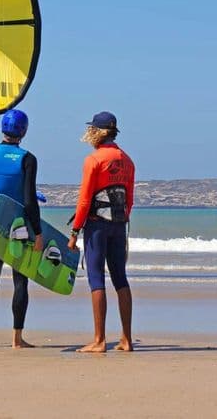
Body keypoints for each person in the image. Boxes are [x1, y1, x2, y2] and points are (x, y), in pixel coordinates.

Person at [68, 111, 135, 353]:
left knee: (96, 278)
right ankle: (126, 339)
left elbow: (85, 200)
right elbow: (130, 200)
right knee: (120, 278)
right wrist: (120, 223)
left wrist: (75, 231)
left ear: (96, 132)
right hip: (119, 225)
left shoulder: (94, 160)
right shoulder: (127, 160)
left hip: (97, 225)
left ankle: (99, 340)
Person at [0, 109, 44, 349]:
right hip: (18, 226)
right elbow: (28, 201)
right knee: (20, 282)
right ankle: (17, 339)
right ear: (24, 131)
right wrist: (38, 233)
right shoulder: (28, 159)